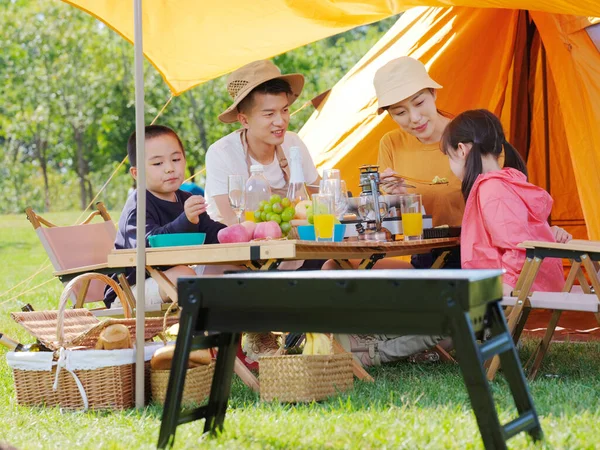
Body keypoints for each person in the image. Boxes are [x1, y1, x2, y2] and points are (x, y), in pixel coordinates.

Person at [440, 109, 571, 295]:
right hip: (527, 284)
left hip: (514, 289)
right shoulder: (507, 182)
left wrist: (504, 293)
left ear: (461, 150)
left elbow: (517, 247)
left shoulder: (493, 190)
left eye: (449, 157)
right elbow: (522, 233)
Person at [104, 125, 227, 309]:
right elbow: (150, 244)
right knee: (184, 276)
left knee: (227, 271)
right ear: (137, 173)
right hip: (129, 291)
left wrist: (238, 233)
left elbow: (211, 233)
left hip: (172, 279)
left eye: (176, 159)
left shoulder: (185, 198)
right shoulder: (138, 205)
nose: (170, 168)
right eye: (157, 163)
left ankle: (237, 335)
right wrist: (185, 220)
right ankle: (198, 335)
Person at [204, 59, 320, 225]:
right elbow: (232, 221)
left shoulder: (293, 143)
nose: (281, 121)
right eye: (269, 114)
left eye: (285, 110)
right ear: (244, 120)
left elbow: (322, 196)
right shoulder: (221, 153)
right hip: (238, 246)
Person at [374, 56, 464, 229]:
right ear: (390, 116)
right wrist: (398, 199)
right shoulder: (391, 143)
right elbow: (390, 224)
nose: (415, 118)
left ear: (433, 93)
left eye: (419, 102)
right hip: (420, 248)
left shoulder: (470, 137)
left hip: (474, 249)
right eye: (400, 113)